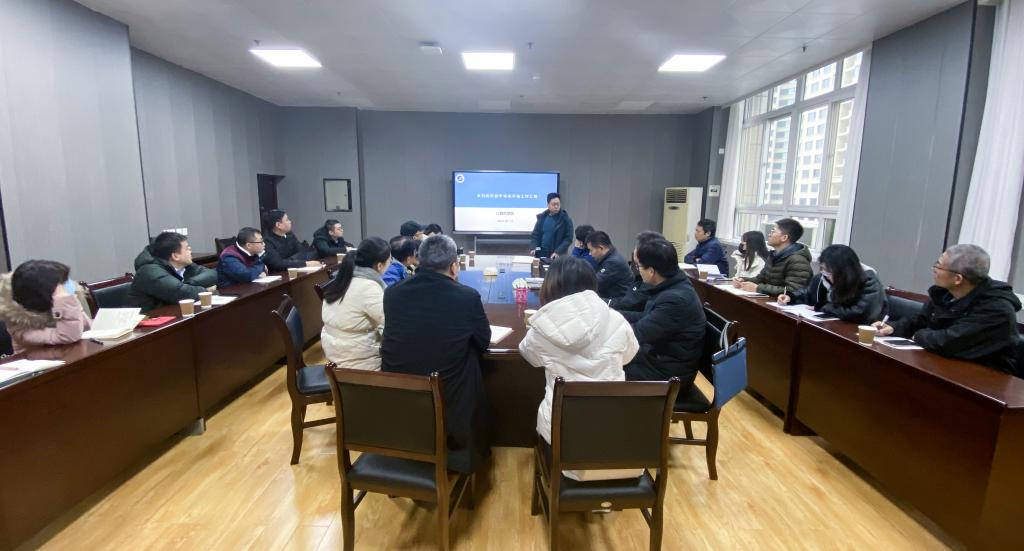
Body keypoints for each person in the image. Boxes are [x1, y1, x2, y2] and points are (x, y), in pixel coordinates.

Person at [519, 256, 640, 481]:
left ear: (550, 286)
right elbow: (629, 355)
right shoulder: (616, 318)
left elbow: (529, 356)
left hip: (564, 433)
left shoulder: (541, 329)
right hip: (613, 430)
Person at [381, 235, 491, 473]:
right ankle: (466, 451)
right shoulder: (466, 297)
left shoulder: (393, 293)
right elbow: (483, 342)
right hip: (447, 400)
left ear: (419, 260)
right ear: (454, 266)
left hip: (399, 397)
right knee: (471, 358)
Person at [874, 244, 1021, 376]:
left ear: (957, 279)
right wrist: (893, 328)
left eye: (938, 266)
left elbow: (949, 342)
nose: (934, 270)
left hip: (985, 380)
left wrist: (918, 335)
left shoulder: (997, 309)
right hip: (944, 365)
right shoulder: (943, 293)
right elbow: (920, 321)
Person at [619, 238, 705, 386]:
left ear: (651, 271)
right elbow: (647, 317)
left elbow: (638, 333)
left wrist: (606, 330)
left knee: (605, 370)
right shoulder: (672, 283)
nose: (638, 270)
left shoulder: (675, 300)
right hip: (659, 358)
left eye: (639, 266)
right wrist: (613, 314)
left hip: (669, 375)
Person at [320, 237, 391, 371]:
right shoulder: (368, 287)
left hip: (336, 353)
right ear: (380, 266)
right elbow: (390, 321)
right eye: (389, 260)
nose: (391, 263)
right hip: (357, 362)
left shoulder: (345, 276)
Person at [778, 244, 886, 324]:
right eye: (823, 269)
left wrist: (824, 307)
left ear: (845, 271)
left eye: (829, 271)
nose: (825, 274)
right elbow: (809, 293)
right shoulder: (824, 276)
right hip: (831, 326)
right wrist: (791, 297)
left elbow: (860, 314)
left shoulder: (869, 281)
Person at [0, 260, 92, 352]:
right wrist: (63, 299)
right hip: (42, 359)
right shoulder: (21, 327)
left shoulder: (59, 303)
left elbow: (88, 327)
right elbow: (69, 336)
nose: (65, 286)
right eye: (60, 284)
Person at [128, 232, 218, 312]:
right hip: (148, 321)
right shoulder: (150, 272)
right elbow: (184, 294)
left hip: (170, 315)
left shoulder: (184, 265)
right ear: (175, 256)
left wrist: (189, 284)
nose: (190, 250)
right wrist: (206, 290)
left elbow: (212, 274)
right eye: (187, 248)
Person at [734, 218, 812, 295]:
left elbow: (793, 290)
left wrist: (758, 288)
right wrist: (743, 280)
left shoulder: (798, 261)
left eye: (773, 231)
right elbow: (761, 279)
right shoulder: (773, 255)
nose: (769, 234)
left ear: (784, 238)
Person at [609, 230, 666, 311]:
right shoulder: (644, 275)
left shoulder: (654, 280)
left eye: (639, 265)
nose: (638, 268)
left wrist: (608, 307)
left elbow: (631, 304)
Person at [585, 231, 633, 300]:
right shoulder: (609, 257)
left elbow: (594, 283)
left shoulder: (613, 262)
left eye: (591, 250)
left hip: (619, 302)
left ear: (601, 248)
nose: (590, 254)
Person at [530, 192, 573, 259]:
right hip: (541, 253)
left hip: (556, 255)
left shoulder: (565, 220)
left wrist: (558, 252)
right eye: (554, 204)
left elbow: (568, 239)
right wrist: (534, 247)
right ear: (548, 205)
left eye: (558, 204)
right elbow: (535, 235)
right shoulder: (542, 218)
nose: (556, 207)